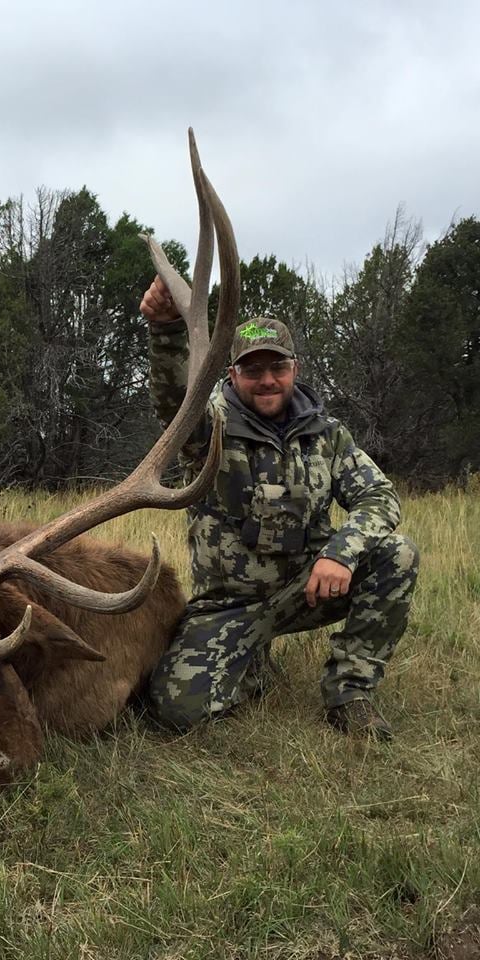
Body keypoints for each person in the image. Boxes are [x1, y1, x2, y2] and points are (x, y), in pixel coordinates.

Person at [139, 276, 418, 739]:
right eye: (252, 370)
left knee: (398, 555)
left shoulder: (328, 435)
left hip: (308, 589)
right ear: (232, 376)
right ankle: (252, 667)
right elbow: (174, 405)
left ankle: (350, 692)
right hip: (228, 607)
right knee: (175, 712)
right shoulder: (208, 428)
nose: (266, 379)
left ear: (295, 369)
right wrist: (167, 331)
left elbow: (380, 497)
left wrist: (340, 553)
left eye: (277, 367)